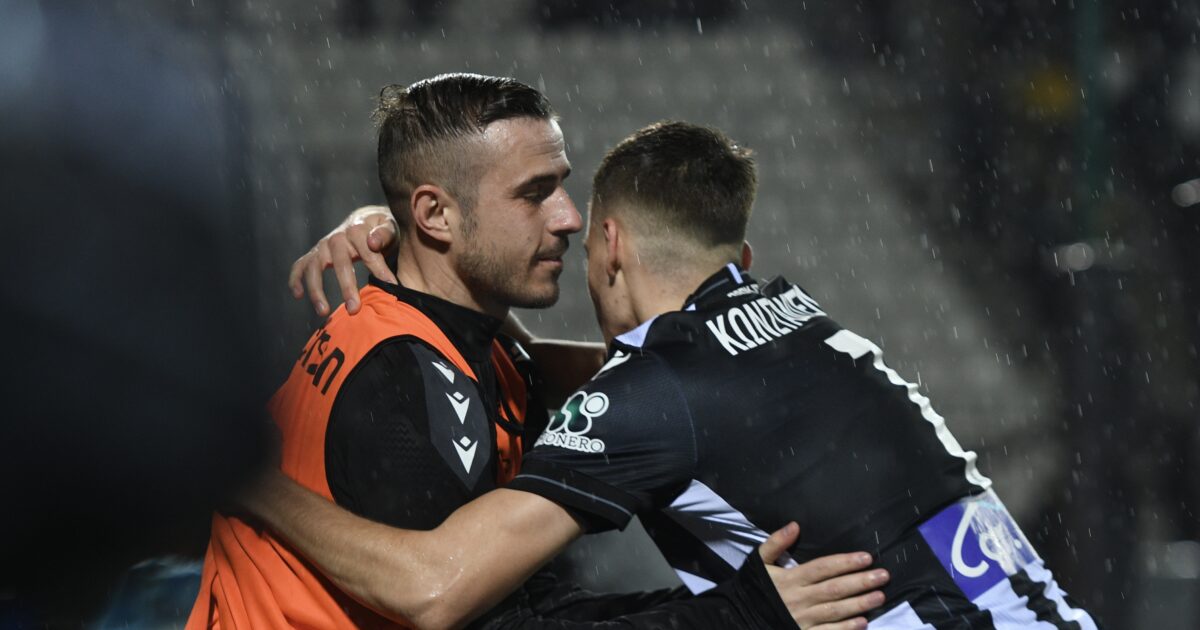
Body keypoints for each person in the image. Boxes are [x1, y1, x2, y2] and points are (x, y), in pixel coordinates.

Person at [251, 120, 1101, 629]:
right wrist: (412, 243)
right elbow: (571, 376)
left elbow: (432, 591)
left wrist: (238, 471)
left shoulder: (656, 395)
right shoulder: (795, 325)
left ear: (611, 246)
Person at [188, 74, 887, 629]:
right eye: (534, 194)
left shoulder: (466, 341)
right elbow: (446, 600)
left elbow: (616, 387)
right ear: (435, 214)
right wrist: (740, 615)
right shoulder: (397, 377)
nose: (571, 218)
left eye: (561, 184)